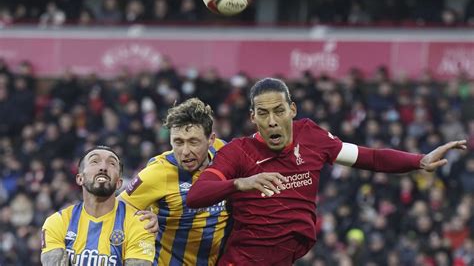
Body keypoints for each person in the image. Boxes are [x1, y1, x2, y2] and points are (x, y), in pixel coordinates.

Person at [187, 77, 467, 265]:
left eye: (279, 110)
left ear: (292, 109)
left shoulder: (312, 137)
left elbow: (368, 157)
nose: (272, 121)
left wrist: (419, 160)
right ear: (253, 117)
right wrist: (241, 183)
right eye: (263, 113)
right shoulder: (238, 152)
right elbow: (197, 195)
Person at [119, 98, 230, 266]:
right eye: (178, 142)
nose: (185, 151)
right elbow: (114, 211)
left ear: (211, 140)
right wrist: (137, 222)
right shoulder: (157, 172)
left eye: (193, 142)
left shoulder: (225, 154)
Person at [41, 146, 156, 266]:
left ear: (119, 183)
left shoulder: (140, 223)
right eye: (94, 161)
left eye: (112, 164)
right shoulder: (57, 222)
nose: (103, 167)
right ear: (80, 178)